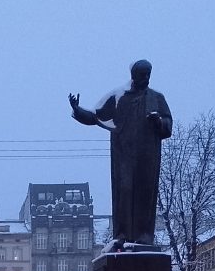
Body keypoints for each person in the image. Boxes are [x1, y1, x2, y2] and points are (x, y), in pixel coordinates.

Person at [69, 60, 173, 246]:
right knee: (124, 192)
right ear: (133, 75)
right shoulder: (119, 97)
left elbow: (168, 125)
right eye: (142, 75)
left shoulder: (157, 98)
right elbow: (95, 116)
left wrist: (158, 121)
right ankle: (122, 234)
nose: (146, 78)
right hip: (123, 156)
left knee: (145, 193)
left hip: (147, 156)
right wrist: (77, 109)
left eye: (149, 74)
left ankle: (144, 236)